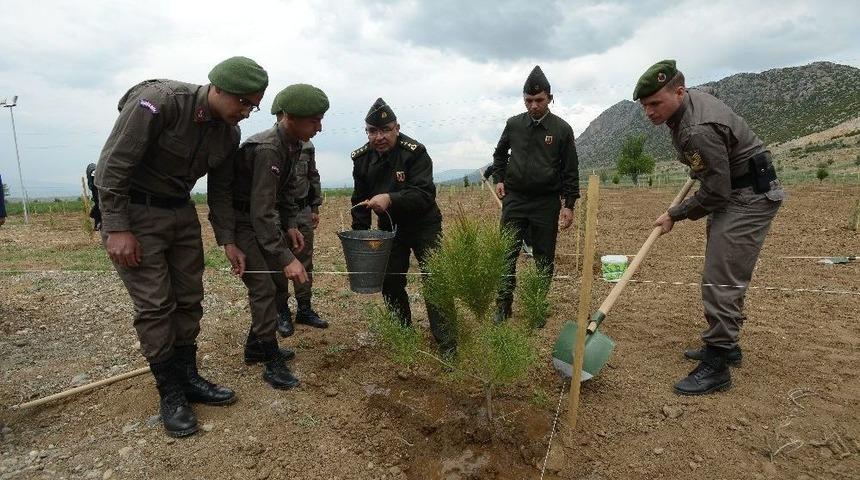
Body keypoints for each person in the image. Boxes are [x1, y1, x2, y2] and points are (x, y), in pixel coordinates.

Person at [94, 56, 268, 438]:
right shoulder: (161, 101)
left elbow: (220, 192)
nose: (246, 112)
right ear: (217, 89)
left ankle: (188, 377)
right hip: (136, 214)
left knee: (189, 297)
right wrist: (117, 227)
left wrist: (229, 240)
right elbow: (113, 165)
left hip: (180, 213)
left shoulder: (228, 134)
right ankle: (170, 392)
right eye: (242, 102)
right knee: (156, 305)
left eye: (253, 105)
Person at [634, 59, 784, 395]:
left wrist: (676, 212)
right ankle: (727, 346)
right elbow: (715, 174)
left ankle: (717, 365)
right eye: (645, 106)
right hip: (736, 190)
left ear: (679, 91)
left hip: (747, 197)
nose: (650, 112)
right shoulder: (687, 111)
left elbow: (716, 192)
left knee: (721, 277)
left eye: (655, 103)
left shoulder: (696, 128)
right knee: (721, 272)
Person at [232, 83, 328, 389]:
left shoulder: (294, 143)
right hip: (244, 224)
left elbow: (285, 193)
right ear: (289, 117)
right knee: (264, 288)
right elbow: (260, 212)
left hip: (263, 220)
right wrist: (286, 257)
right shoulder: (268, 148)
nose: (319, 127)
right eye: (314, 120)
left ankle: (254, 348)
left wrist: (290, 226)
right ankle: (271, 363)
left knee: (273, 284)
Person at [350, 98, 453, 354]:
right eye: (372, 131)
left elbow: (424, 194)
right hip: (389, 229)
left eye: (385, 130)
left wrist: (390, 198)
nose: (379, 137)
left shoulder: (414, 153)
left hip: (423, 224)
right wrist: (360, 234)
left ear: (396, 128)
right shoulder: (361, 159)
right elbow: (359, 198)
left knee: (435, 281)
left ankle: (447, 342)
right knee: (391, 281)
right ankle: (403, 334)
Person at [491, 65, 580, 323]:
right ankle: (503, 305)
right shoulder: (514, 125)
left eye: (539, 100)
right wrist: (499, 178)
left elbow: (570, 170)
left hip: (545, 203)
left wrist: (569, 204)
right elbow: (499, 154)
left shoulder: (562, 130)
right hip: (515, 200)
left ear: (550, 98)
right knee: (506, 253)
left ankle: (536, 306)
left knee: (544, 258)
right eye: (528, 100)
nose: (533, 106)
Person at [274, 139, 327, 337]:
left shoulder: (307, 145)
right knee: (280, 262)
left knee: (305, 261)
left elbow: (313, 175)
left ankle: (304, 309)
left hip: (302, 209)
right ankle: (282, 311)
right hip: (277, 212)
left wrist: (314, 206)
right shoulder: (270, 145)